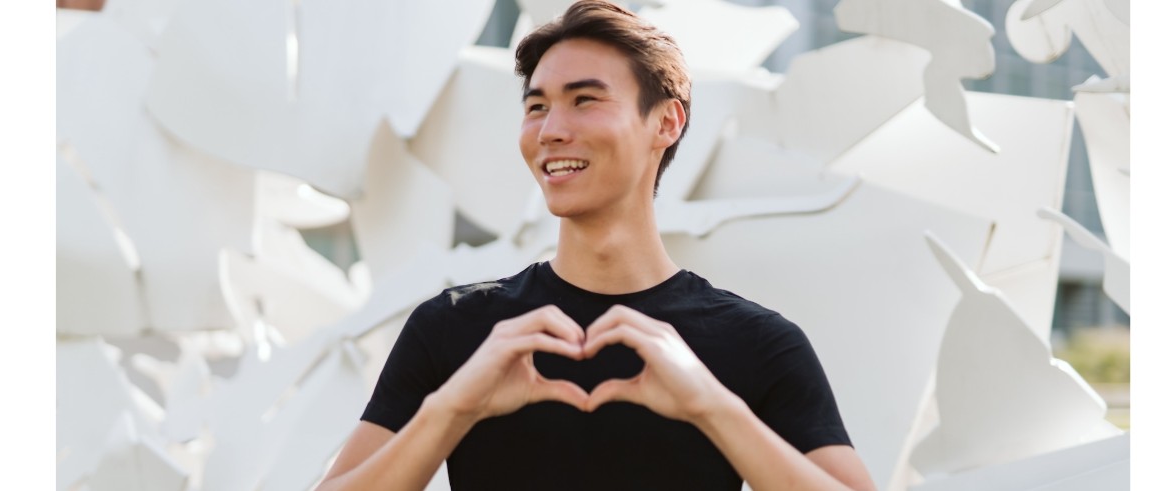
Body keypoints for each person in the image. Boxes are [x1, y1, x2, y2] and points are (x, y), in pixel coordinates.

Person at [317, 1, 875, 489]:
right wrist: (454, 406)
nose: (551, 129)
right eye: (536, 106)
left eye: (585, 100)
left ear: (666, 123)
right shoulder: (454, 327)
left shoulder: (757, 342)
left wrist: (710, 405)